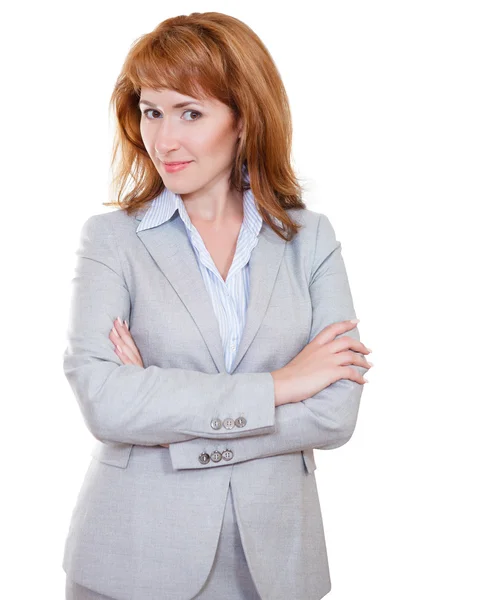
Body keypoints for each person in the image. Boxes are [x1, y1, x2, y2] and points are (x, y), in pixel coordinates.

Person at [62, 11, 373, 600]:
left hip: (278, 564)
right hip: (133, 558)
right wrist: (282, 383)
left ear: (243, 118)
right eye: (151, 111)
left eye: (191, 113)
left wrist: (165, 417)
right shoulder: (111, 241)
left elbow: (336, 413)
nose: (164, 138)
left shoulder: (311, 238)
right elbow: (105, 403)